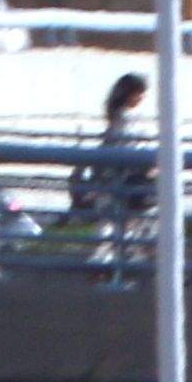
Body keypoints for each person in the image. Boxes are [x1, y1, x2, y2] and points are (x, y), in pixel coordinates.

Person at [63, 69, 156, 261]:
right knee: (126, 223)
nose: (143, 97)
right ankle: (118, 261)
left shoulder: (118, 118)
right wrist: (148, 166)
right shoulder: (125, 120)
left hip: (115, 179)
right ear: (131, 94)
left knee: (113, 226)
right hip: (123, 179)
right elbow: (130, 150)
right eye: (140, 93)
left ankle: (111, 261)